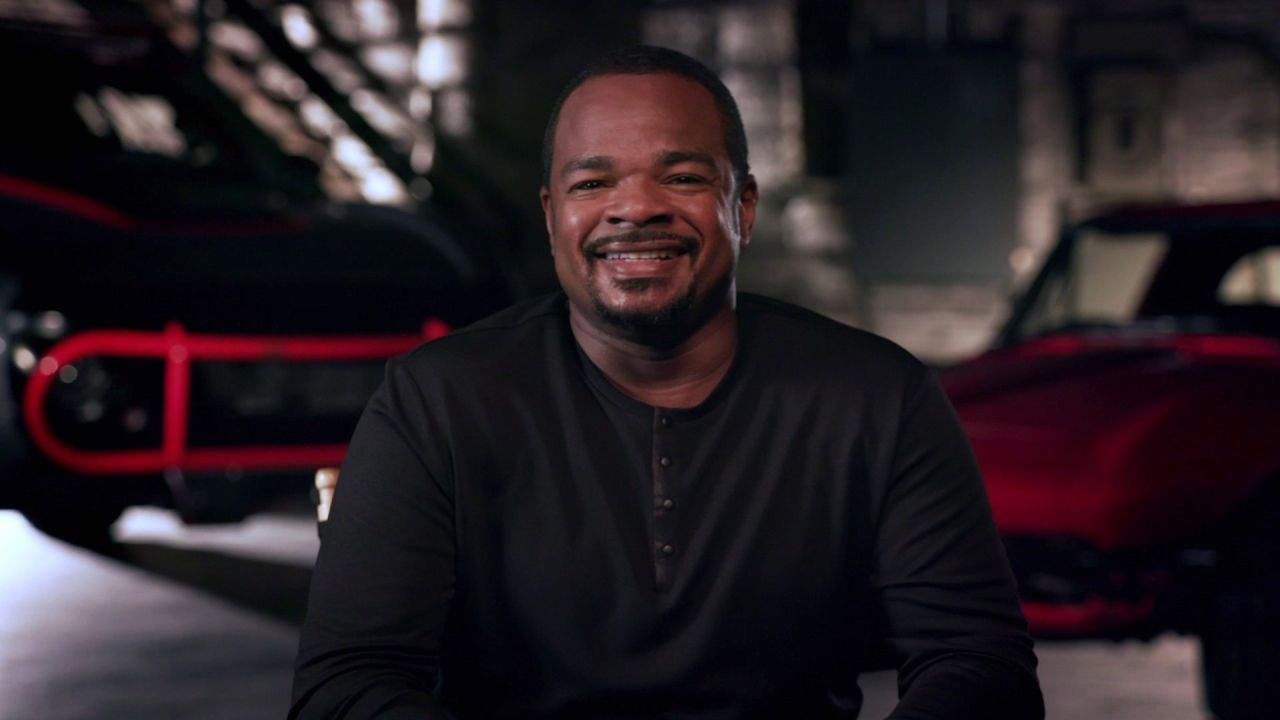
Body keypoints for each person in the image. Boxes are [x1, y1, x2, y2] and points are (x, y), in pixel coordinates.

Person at [291, 45, 1044, 719]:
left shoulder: (877, 396)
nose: (635, 207)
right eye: (593, 181)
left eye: (682, 177)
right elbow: (346, 687)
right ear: (553, 217)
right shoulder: (437, 400)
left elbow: (979, 663)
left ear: (743, 208)